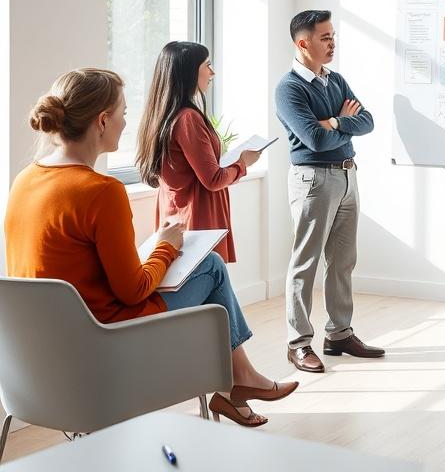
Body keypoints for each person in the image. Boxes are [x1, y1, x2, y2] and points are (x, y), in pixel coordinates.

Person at [4, 69, 297, 427]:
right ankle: (238, 380)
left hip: (38, 364)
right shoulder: (101, 191)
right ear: (101, 121)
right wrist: (166, 246)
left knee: (199, 271)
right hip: (105, 342)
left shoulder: (24, 180)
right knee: (212, 266)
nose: (126, 122)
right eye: (124, 113)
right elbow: (133, 292)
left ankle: (238, 382)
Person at [275, 10, 383, 373]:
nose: (332, 43)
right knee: (305, 262)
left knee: (343, 260)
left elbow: (367, 121)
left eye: (333, 36)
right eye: (324, 38)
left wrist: (336, 119)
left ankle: (339, 333)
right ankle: (298, 343)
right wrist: (338, 123)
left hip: (348, 176)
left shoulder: (335, 80)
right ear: (302, 43)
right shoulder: (289, 88)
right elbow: (315, 139)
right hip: (313, 180)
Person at [137, 42, 262, 263]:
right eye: (208, 65)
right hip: (196, 219)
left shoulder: (164, 115)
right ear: (189, 72)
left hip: (179, 212)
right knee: (208, 284)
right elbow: (213, 179)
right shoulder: (188, 119)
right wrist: (243, 163)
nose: (212, 72)